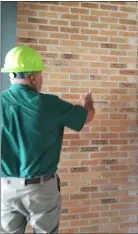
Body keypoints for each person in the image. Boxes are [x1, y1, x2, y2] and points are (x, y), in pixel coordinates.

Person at [1, 46, 95, 233]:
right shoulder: (49, 104)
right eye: (40, 74)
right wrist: (88, 104)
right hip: (40, 189)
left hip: (5, 189)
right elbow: (87, 117)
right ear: (33, 77)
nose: (41, 79)